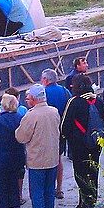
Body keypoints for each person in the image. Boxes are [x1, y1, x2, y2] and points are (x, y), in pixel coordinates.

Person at [15, 84, 61, 208]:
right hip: (52, 158)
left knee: (37, 193)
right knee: (49, 191)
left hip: (37, 160)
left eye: (28, 98)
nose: (27, 100)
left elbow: (21, 137)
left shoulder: (31, 115)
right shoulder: (54, 112)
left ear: (34, 99)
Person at [61, 75, 104, 208]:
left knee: (80, 173)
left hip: (79, 145)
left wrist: (68, 138)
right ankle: (92, 200)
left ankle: (84, 205)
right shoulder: (98, 101)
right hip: (96, 143)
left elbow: (65, 126)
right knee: (93, 171)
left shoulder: (74, 102)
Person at [42, 69, 71, 199]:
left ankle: (48, 188)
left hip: (46, 131)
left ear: (46, 80)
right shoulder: (65, 91)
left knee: (45, 161)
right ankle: (59, 189)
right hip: (61, 130)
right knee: (58, 159)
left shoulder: (43, 93)